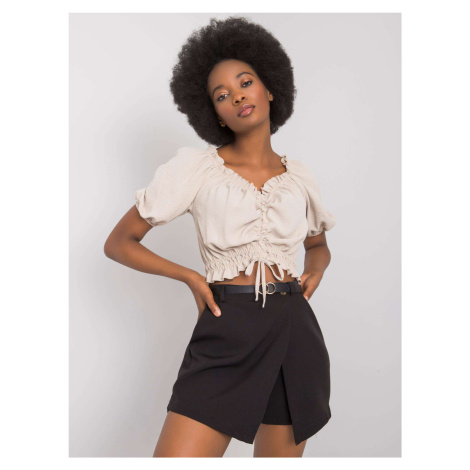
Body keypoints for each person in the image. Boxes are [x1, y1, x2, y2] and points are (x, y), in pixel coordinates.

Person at [104, 16, 337, 458]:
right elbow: (119, 242)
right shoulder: (197, 169)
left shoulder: (299, 176)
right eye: (222, 95)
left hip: (295, 329)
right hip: (227, 326)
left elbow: (318, 243)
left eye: (245, 83)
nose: (238, 96)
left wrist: (316, 269)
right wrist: (191, 277)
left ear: (270, 89)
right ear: (214, 113)